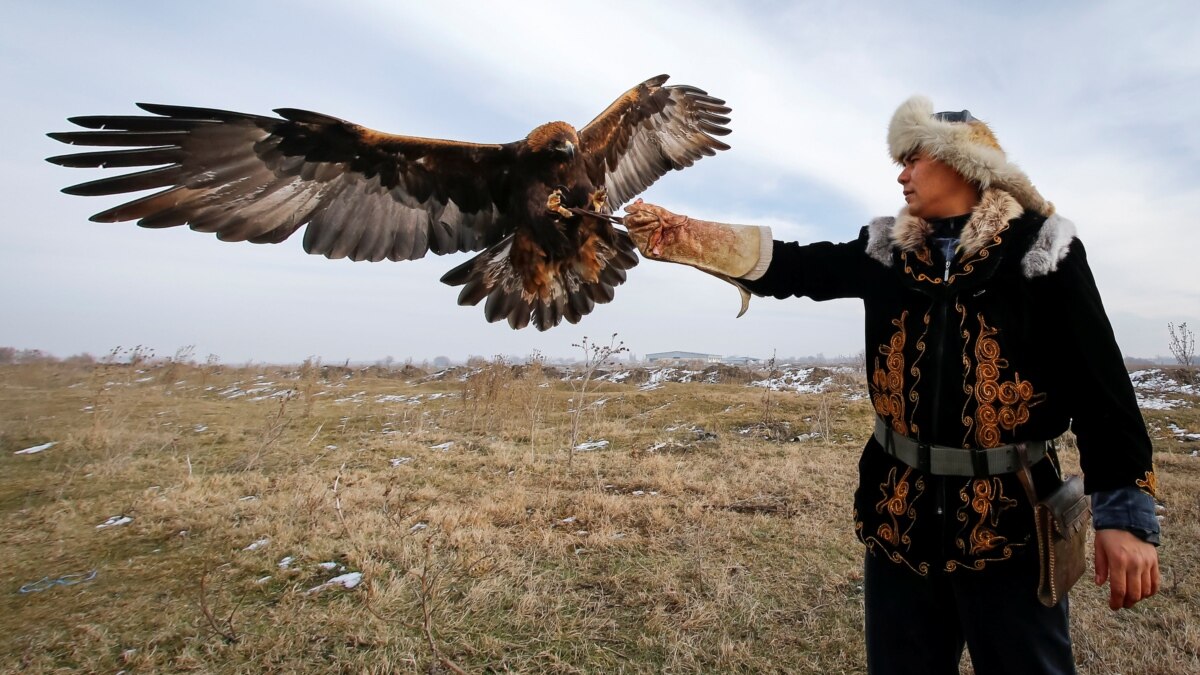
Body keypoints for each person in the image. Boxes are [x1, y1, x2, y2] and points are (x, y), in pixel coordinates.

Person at [622, 97, 1161, 675]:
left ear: (962, 162)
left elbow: (1102, 386)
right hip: (900, 520)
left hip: (1011, 526)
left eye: (913, 158)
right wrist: (683, 234)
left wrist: (1125, 517)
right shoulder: (886, 251)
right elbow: (797, 268)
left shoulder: (1042, 249)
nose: (900, 173)